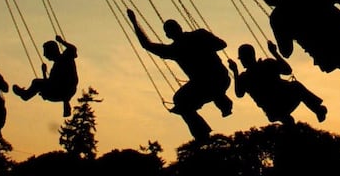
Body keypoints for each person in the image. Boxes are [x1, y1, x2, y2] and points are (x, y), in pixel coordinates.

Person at [127, 9, 233, 142]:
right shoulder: (199, 35)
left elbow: (146, 45)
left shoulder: (175, 49)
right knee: (186, 98)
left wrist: (134, 22)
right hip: (219, 79)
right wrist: (205, 46)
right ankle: (222, 103)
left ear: (167, 35)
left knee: (180, 100)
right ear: (180, 27)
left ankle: (202, 132)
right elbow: (222, 44)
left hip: (208, 83)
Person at [228, 41, 328, 125]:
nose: (242, 61)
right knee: (296, 86)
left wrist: (235, 72)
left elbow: (239, 94)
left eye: (242, 59)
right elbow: (288, 70)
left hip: (273, 111)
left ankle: (291, 121)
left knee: (287, 117)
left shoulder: (245, 77)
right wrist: (275, 53)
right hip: (282, 103)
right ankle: (318, 109)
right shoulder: (267, 64)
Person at [12, 35, 79, 117]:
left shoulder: (65, 58)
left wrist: (61, 41)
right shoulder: (59, 64)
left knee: (36, 82)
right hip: (62, 91)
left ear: (51, 51)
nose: (44, 55)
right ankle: (25, 95)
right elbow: (50, 83)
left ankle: (25, 95)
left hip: (63, 91)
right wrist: (44, 72)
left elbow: (72, 49)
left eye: (45, 52)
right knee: (37, 83)